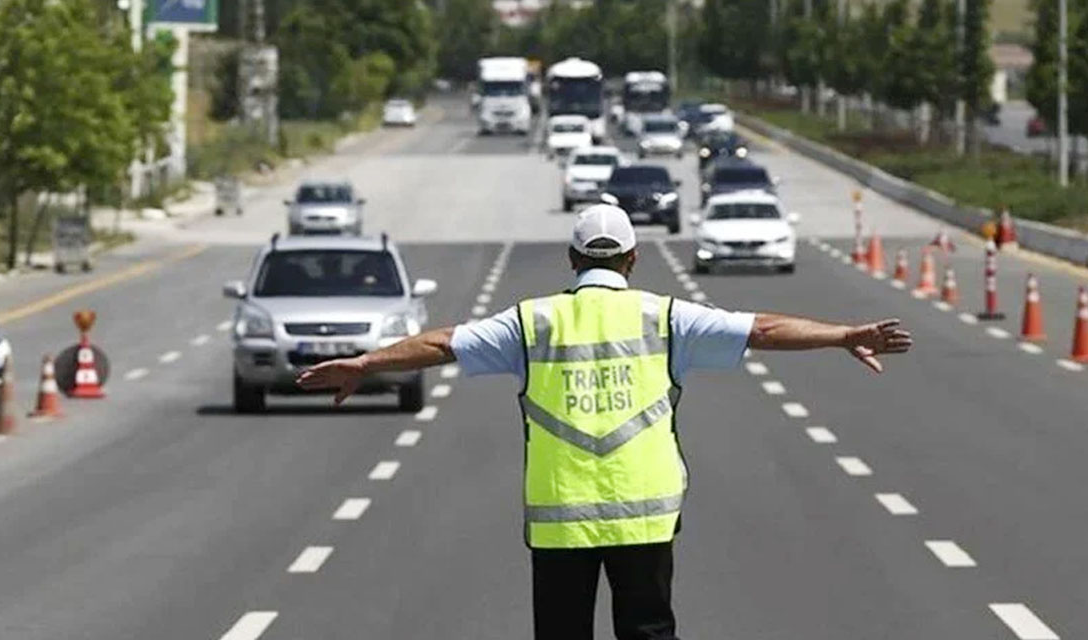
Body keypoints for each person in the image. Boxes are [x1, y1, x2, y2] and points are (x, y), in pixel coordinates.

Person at [297, 204, 913, 640]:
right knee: (649, 631)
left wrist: (366, 363)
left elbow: (440, 345)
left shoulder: (531, 322)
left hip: (560, 522)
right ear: (633, 259)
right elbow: (763, 329)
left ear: (570, 259)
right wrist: (843, 335)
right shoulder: (666, 317)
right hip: (645, 516)